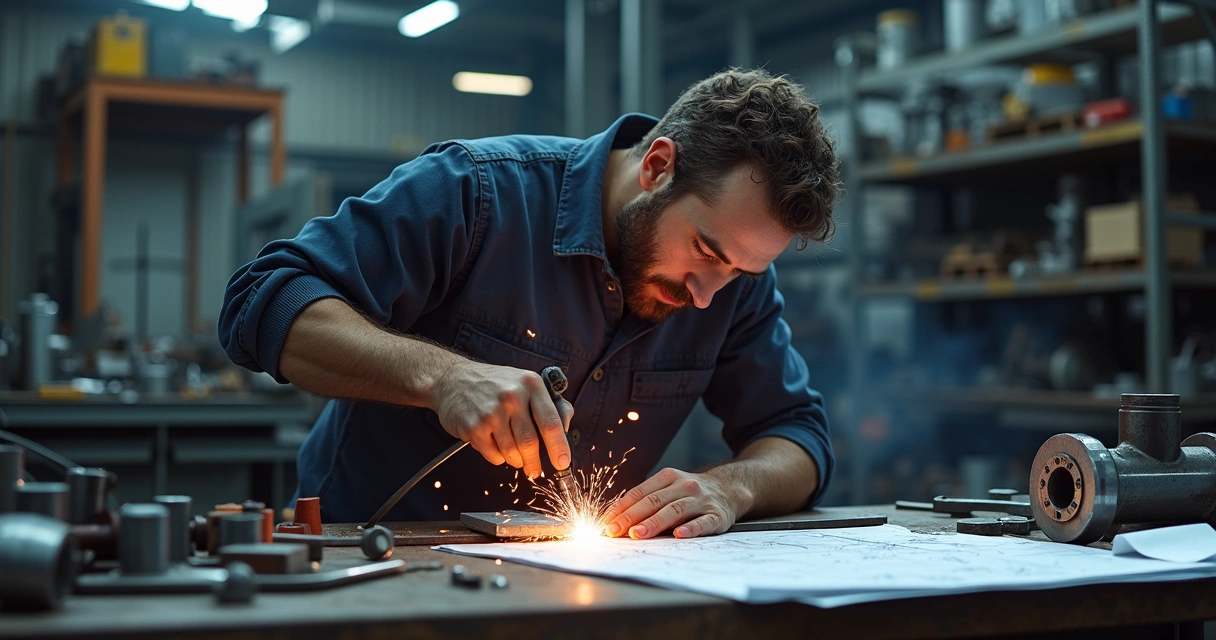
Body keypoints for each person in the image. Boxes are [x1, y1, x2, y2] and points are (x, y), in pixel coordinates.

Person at [218, 68, 840, 539]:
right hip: (374, 554)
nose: (708, 296)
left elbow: (797, 436)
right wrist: (445, 379)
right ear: (658, 166)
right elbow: (263, 299)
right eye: (704, 250)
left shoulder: (733, 281)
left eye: (740, 270)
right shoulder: (477, 192)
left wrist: (731, 488)